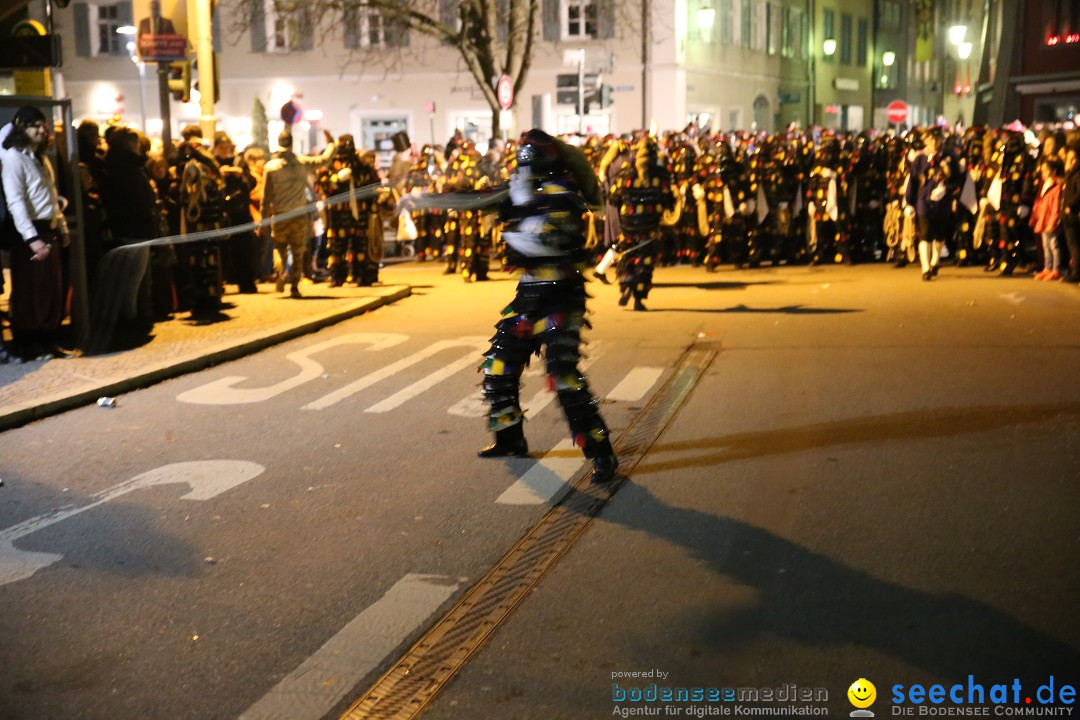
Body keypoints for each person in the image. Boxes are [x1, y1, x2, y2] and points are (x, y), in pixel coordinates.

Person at [478, 128, 618, 484]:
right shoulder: (520, 191)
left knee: (564, 376)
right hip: (527, 295)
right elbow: (480, 201)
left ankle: (600, 451)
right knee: (498, 367)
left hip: (560, 296)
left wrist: (519, 209)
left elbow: (547, 239)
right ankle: (510, 439)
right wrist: (425, 200)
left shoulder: (564, 194)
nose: (524, 171)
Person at [0, 106, 71, 361]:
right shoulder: (14, 158)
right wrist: (31, 239)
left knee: (50, 289)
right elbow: (16, 201)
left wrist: (60, 226)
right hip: (30, 234)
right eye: (35, 126)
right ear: (22, 128)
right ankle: (29, 343)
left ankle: (48, 340)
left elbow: (49, 196)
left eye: (43, 125)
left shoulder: (40, 157)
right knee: (31, 291)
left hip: (47, 229)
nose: (42, 130)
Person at [260, 129, 336, 297]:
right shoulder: (302, 162)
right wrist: (331, 143)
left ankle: (279, 270)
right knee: (298, 251)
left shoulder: (270, 167)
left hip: (280, 215)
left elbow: (266, 197)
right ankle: (294, 286)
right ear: (292, 144)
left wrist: (263, 219)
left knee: (279, 248)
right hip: (299, 215)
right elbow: (324, 160)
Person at [1030, 157, 1064, 281]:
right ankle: (1047, 268)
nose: (1043, 174)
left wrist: (1052, 223)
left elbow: (1055, 208)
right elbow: (1039, 203)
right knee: (1046, 246)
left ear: (1053, 172)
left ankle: (1056, 269)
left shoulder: (1056, 187)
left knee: (1054, 246)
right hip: (1043, 220)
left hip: (1050, 222)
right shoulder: (1044, 185)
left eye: (1045, 171)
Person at [1062, 146, 1080, 283]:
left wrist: (1070, 205)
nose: (1070, 161)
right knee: (1071, 245)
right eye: (1068, 158)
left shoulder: (1077, 174)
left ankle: (1076, 272)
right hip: (1068, 215)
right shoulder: (1070, 174)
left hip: (1073, 215)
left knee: (1074, 245)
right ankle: (1072, 269)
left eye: (1073, 159)